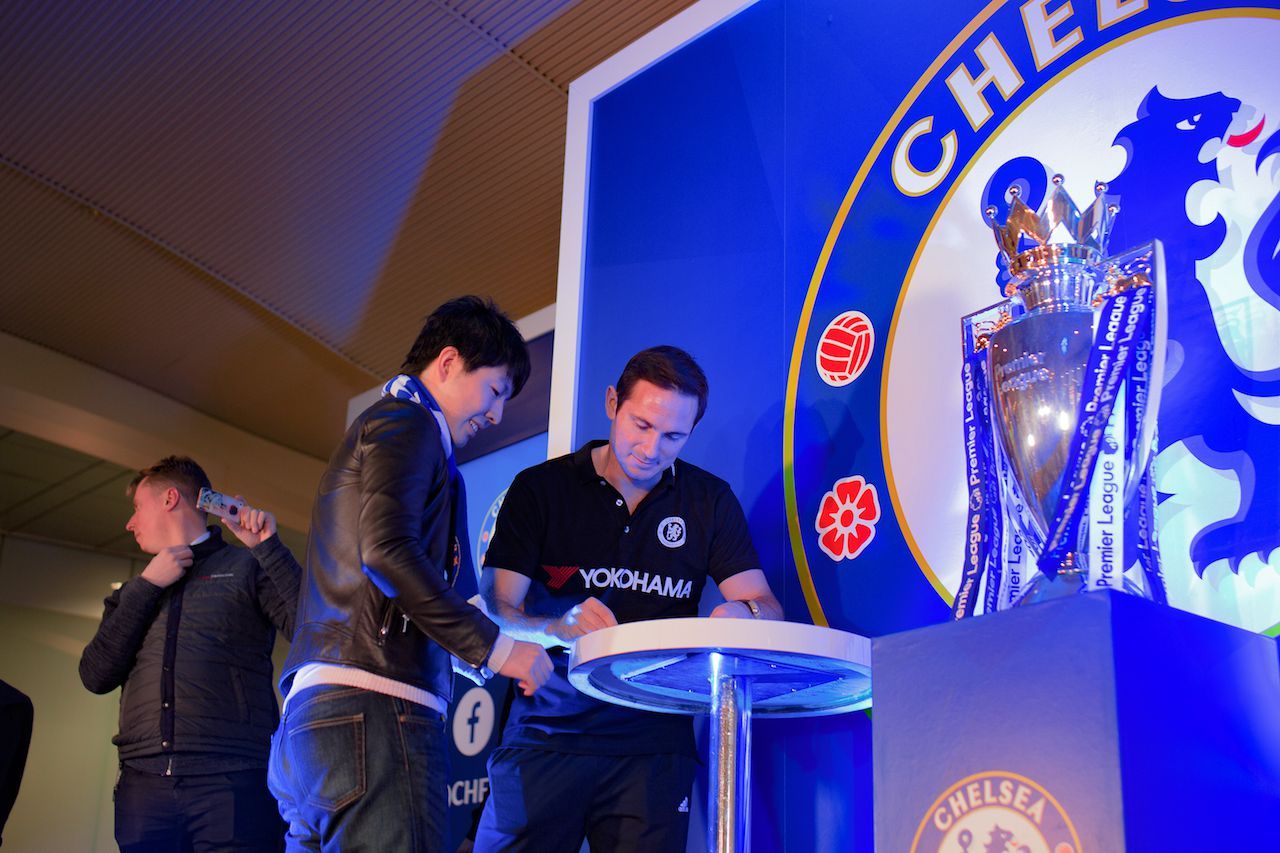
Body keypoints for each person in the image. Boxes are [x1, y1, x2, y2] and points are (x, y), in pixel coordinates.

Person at [270, 296, 553, 852]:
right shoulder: (408, 424)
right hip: (374, 710)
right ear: (448, 362)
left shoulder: (407, 438)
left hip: (317, 725)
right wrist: (496, 650)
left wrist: (540, 634)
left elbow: (446, 594)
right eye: (495, 391)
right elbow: (387, 552)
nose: (496, 415)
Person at [474, 345, 782, 853]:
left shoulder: (709, 500)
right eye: (642, 425)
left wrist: (742, 614)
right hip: (546, 734)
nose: (652, 448)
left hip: (655, 747)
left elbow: (766, 605)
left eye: (673, 436)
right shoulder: (541, 488)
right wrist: (554, 627)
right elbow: (495, 611)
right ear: (612, 403)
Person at [79, 455, 301, 852]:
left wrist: (268, 549)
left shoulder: (248, 567)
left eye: (137, 508)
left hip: (232, 782)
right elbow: (95, 676)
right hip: (142, 787)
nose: (130, 523)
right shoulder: (132, 592)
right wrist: (147, 587)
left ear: (169, 499)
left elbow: (313, 630)